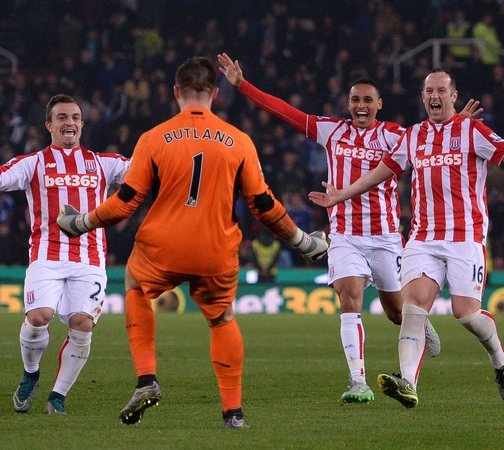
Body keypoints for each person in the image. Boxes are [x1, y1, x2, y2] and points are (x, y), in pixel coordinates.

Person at [56, 57, 329, 429]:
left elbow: (126, 203)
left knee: (135, 288)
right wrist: (301, 241)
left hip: (162, 246)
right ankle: (233, 414)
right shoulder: (239, 141)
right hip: (216, 249)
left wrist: (80, 222)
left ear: (175, 92)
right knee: (222, 318)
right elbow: (263, 206)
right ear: (216, 94)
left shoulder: (153, 138)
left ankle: (147, 379)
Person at [309, 68, 504, 408]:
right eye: (429, 90)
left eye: (441, 90)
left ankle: (501, 361)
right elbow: (379, 173)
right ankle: (408, 383)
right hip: (422, 238)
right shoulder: (413, 136)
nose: (434, 95)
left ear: (453, 96)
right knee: (413, 308)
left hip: (465, 237)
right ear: (423, 96)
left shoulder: (471, 131)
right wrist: (340, 195)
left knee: (466, 314)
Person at [218, 52, 457, 403]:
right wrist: (243, 86)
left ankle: (417, 320)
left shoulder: (396, 136)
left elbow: (434, 140)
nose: (361, 105)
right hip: (345, 236)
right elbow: (286, 112)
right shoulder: (333, 130)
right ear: (348, 104)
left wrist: (457, 125)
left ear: (379, 105)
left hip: (387, 239)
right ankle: (357, 381)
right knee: (349, 297)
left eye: (367, 100)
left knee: (396, 312)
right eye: (355, 100)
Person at [0, 94, 130, 414]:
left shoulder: (104, 162)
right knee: (38, 317)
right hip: (47, 253)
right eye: (61, 117)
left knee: (83, 323)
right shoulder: (35, 162)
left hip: (90, 258)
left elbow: (146, 170)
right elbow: (0, 174)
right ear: (49, 125)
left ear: (82, 124)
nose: (68, 122)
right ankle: (31, 374)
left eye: (74, 117)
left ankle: (58, 395)